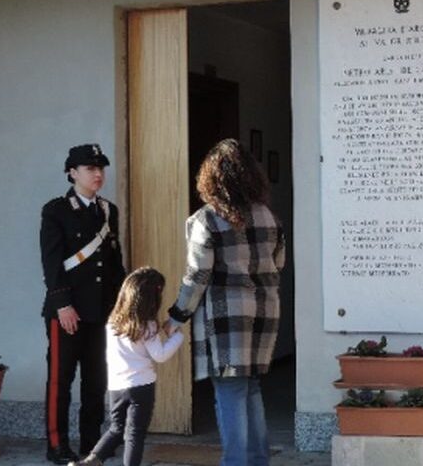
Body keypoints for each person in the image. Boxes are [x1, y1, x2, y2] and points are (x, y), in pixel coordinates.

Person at [168, 138, 286, 466]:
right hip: (265, 309)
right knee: (250, 388)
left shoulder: (205, 219)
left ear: (210, 177)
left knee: (230, 391)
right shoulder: (269, 217)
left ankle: (235, 462)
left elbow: (197, 275)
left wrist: (177, 315)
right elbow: (280, 262)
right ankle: (257, 461)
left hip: (226, 314)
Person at [40, 143, 128, 464]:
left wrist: (123, 306)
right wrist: (63, 305)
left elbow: (114, 265)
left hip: (100, 312)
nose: (98, 174)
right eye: (91, 169)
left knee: (96, 381)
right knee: (60, 382)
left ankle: (92, 445)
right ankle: (57, 446)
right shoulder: (55, 210)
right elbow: (51, 263)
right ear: (72, 173)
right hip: (68, 312)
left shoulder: (108, 211)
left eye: (101, 168)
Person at [69, 266, 184, 466]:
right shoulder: (147, 325)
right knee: (135, 435)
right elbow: (161, 355)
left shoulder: (112, 323)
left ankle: (91, 460)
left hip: (116, 386)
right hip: (141, 386)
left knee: (116, 429)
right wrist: (177, 335)